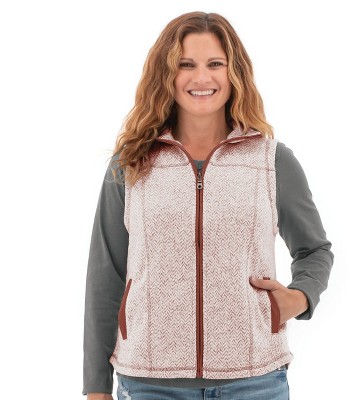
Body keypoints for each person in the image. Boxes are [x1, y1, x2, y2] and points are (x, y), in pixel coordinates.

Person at [82, 11, 334, 400]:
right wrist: (96, 387)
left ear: (235, 73)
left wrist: (300, 297)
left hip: (255, 382)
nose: (201, 78)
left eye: (215, 64)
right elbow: (106, 275)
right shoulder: (130, 164)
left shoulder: (271, 161)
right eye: (186, 65)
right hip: (150, 383)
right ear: (166, 75)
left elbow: (314, 249)